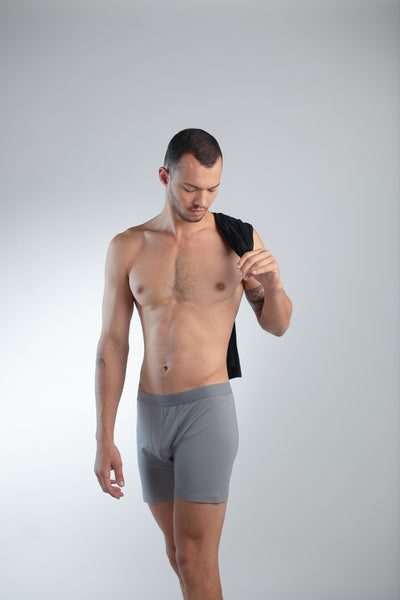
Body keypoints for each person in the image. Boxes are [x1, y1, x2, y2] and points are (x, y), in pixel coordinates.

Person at [94, 128, 293, 599]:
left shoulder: (237, 240)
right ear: (165, 177)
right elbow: (113, 344)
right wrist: (104, 436)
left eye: (212, 188)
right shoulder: (129, 245)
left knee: (195, 558)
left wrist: (274, 286)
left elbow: (277, 325)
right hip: (150, 414)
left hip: (205, 411)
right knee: (177, 555)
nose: (202, 200)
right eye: (189, 188)